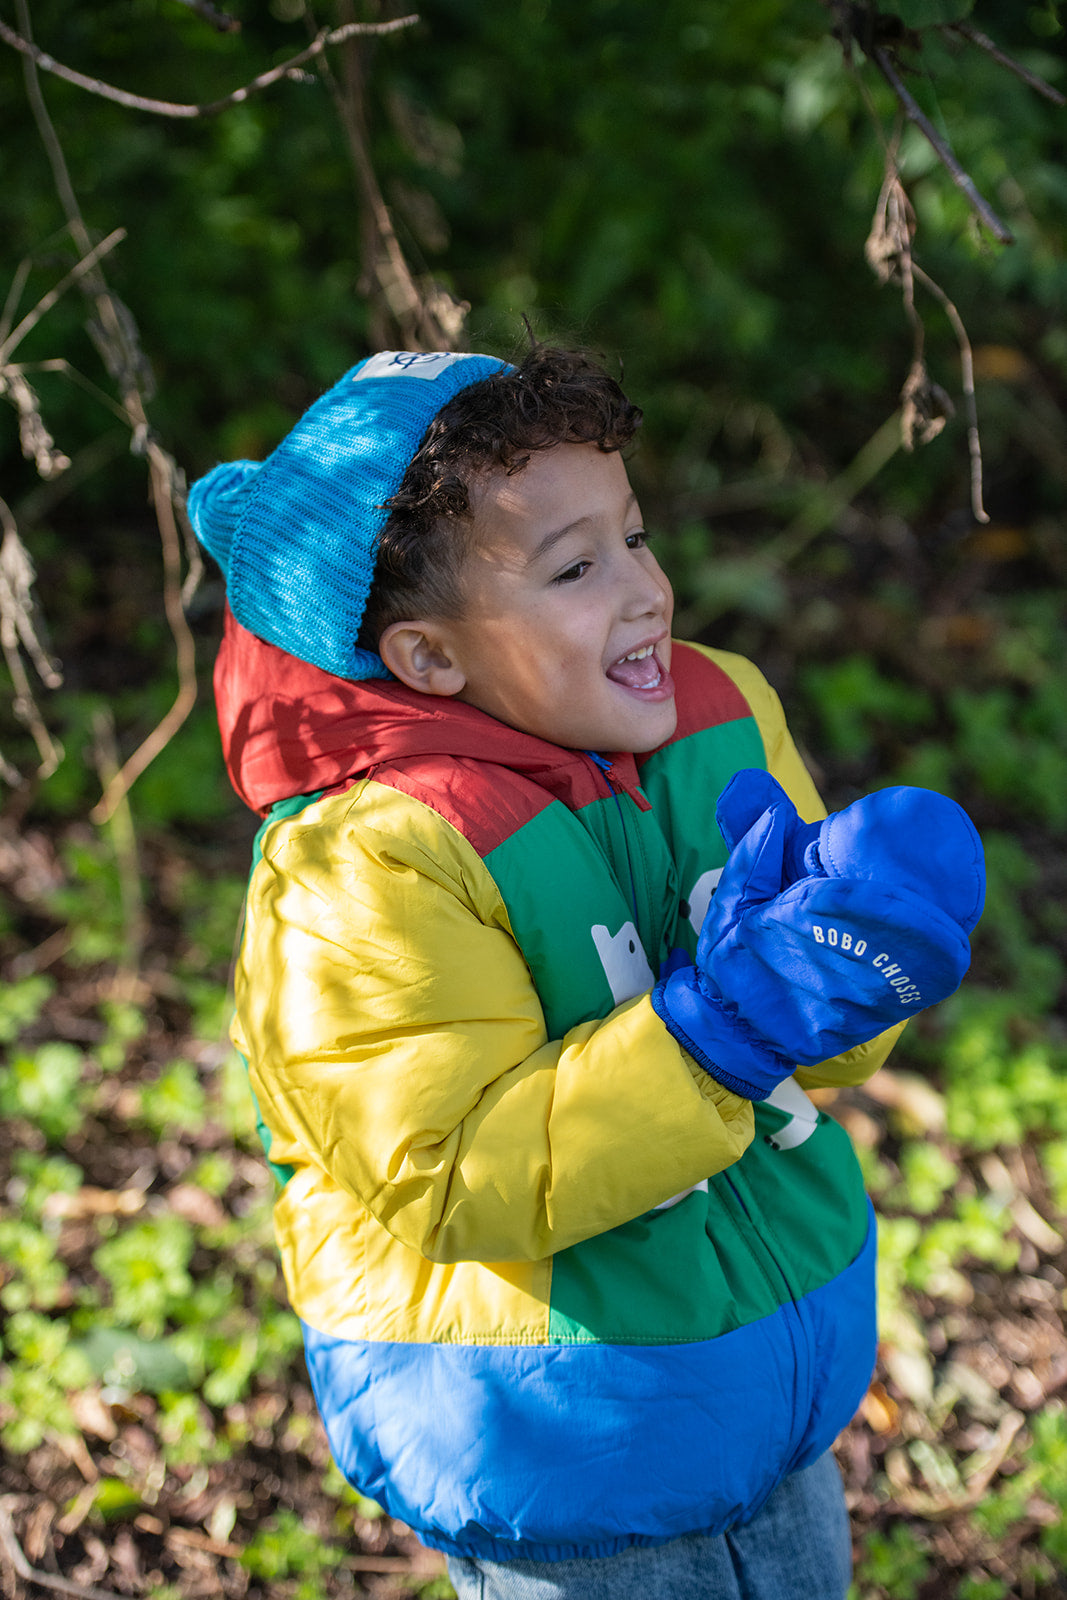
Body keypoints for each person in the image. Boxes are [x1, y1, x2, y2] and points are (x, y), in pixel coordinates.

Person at [188, 344, 985, 1600]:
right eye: (574, 567)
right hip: (561, 1442)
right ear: (429, 658)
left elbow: (813, 1047)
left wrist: (850, 962)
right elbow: (454, 1173)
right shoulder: (368, 863)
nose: (646, 591)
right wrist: (716, 1031)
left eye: (635, 536)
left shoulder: (712, 713)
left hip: (773, 1389)